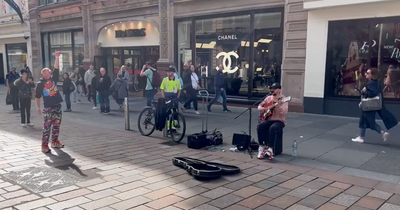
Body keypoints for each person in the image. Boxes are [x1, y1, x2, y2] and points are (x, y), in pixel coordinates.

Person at [352, 68, 398, 143]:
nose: (366, 74)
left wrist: (364, 92)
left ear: (372, 75)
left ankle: (382, 133)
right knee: (365, 121)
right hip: (371, 106)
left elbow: (372, 94)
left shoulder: (371, 83)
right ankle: (362, 137)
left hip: (369, 106)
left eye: (368, 73)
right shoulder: (374, 83)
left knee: (368, 121)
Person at [35, 51, 64, 153]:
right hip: (48, 107)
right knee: (47, 127)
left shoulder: (53, 80)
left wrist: (56, 57)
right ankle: (44, 145)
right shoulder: (40, 84)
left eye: (49, 72)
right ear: (43, 74)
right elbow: (37, 97)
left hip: (57, 106)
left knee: (56, 125)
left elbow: (56, 68)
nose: (49, 73)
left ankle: (55, 141)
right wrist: (38, 108)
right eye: (46, 72)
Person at [257, 83, 288, 159]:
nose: (272, 90)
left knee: (273, 128)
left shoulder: (283, 99)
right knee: (260, 126)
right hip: (269, 119)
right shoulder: (268, 98)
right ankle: (262, 146)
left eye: (274, 89)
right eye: (271, 88)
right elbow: (260, 106)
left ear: (279, 90)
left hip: (279, 121)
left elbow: (284, 112)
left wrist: (278, 106)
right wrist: (263, 109)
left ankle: (270, 148)